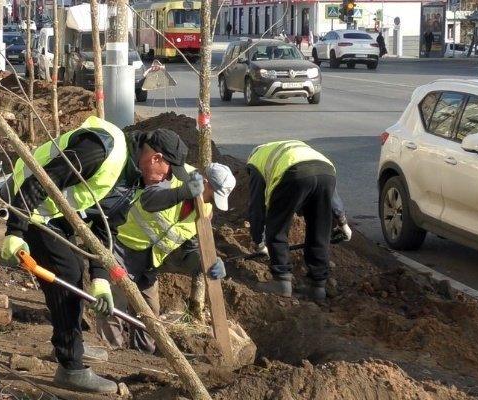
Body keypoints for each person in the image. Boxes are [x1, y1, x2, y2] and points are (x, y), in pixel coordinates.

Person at [0, 116, 194, 393]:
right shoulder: (102, 150)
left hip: (58, 215)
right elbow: (42, 179)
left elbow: (105, 226)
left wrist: (101, 280)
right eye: (167, 172)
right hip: (28, 204)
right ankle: (70, 368)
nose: (166, 180)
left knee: (74, 272)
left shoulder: (133, 180)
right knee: (68, 273)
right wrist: (14, 231)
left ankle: (70, 344)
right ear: (156, 157)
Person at [96, 163, 236, 354]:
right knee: (115, 305)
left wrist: (207, 263)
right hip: (120, 245)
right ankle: (109, 354)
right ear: (204, 183)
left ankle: (142, 358)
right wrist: (182, 192)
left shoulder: (204, 211)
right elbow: (148, 199)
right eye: (212, 196)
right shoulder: (170, 177)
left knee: (150, 314)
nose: (211, 202)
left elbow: (191, 250)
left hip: (150, 261)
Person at [246, 140, 352, 303]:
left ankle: (282, 281)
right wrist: (343, 221)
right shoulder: (290, 150)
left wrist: (259, 242)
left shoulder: (255, 163)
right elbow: (333, 195)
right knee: (319, 230)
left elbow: (256, 208)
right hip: (326, 172)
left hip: (294, 174)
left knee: (278, 228)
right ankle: (317, 287)